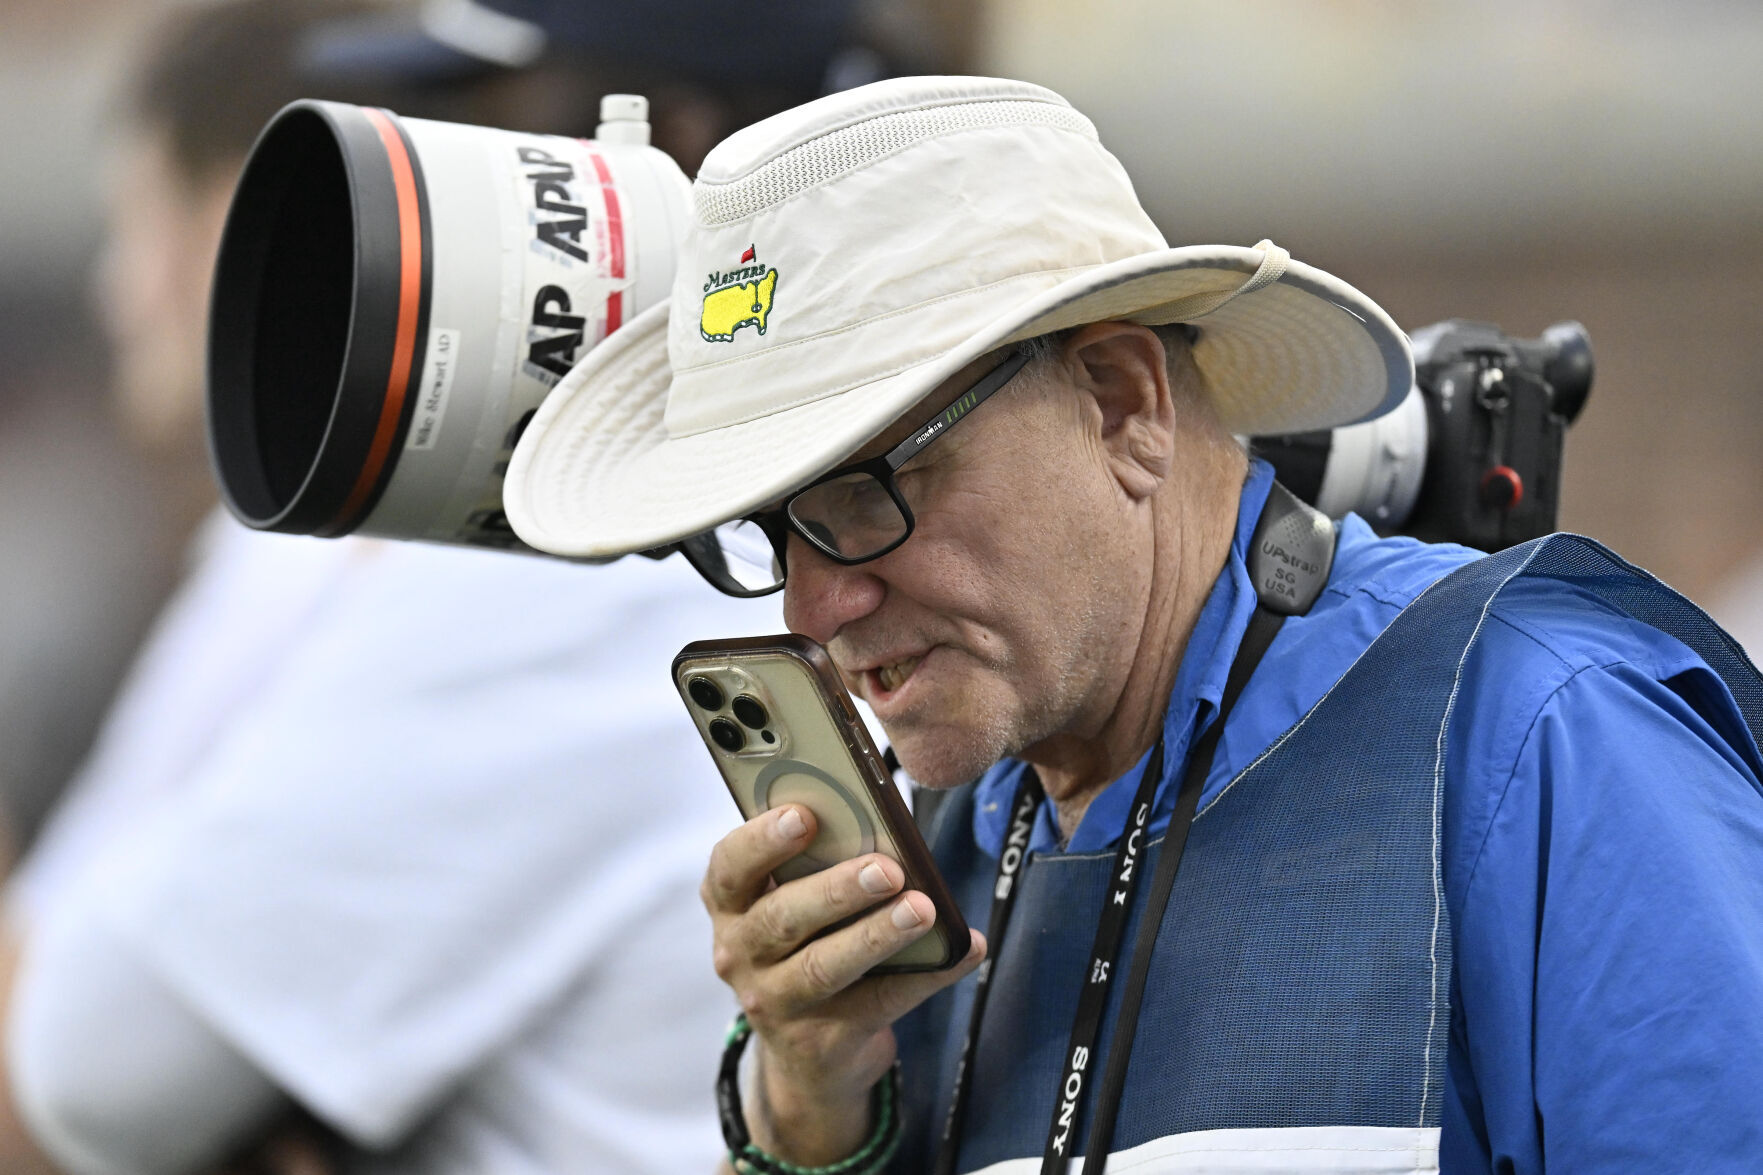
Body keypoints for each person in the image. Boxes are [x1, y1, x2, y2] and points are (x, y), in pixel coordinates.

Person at [499, 76, 1763, 1173]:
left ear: (1120, 402)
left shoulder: (1539, 730)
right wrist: (806, 1102)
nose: (813, 606)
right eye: (771, 529)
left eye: (866, 493)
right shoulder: (936, 856)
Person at [0, 3, 789, 1173]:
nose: (430, 185)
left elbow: (75, 1086)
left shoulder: (576, 546)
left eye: (487, 126)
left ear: (665, 146)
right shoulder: (538, 521)